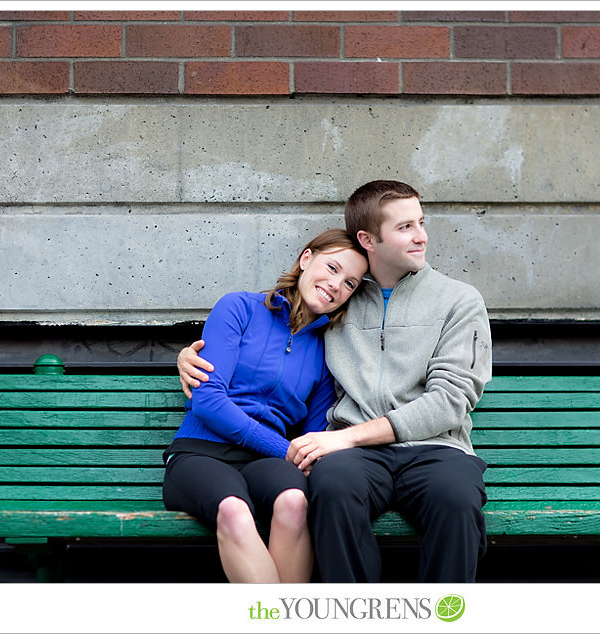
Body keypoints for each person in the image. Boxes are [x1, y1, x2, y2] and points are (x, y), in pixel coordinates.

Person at [178, 181, 492, 582]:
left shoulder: (458, 300)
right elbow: (279, 335)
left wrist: (346, 438)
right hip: (354, 458)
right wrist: (190, 355)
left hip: (433, 449)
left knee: (455, 498)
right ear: (369, 239)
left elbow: (451, 400)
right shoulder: (339, 303)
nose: (421, 236)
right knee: (332, 488)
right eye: (405, 227)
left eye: (421, 222)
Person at [163, 228, 367, 583]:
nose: (337, 285)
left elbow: (313, 433)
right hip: (202, 452)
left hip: (267, 464)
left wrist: (299, 455)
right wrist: (283, 448)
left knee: (294, 502)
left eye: (350, 283)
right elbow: (208, 402)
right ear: (306, 259)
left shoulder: (326, 349)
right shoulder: (239, 308)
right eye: (332, 268)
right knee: (234, 511)